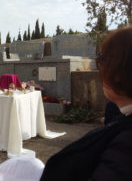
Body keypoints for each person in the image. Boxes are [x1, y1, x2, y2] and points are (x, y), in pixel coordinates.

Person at [39, 27, 132, 181]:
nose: (100, 69)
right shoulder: (122, 117)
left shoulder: (126, 146)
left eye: (102, 60)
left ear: (119, 72)